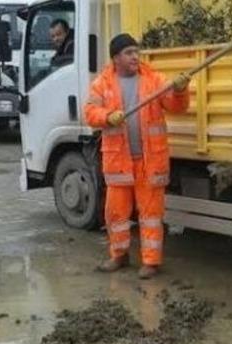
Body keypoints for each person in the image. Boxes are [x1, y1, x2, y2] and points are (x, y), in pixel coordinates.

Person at [83, 33, 191, 279]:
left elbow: (177, 107)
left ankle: (151, 262)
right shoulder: (102, 84)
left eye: (136, 51)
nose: (135, 56)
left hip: (149, 161)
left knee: (151, 214)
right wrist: (107, 116)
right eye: (129, 53)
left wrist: (180, 91)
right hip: (118, 162)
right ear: (116, 58)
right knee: (116, 214)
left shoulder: (154, 79)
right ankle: (119, 255)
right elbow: (90, 112)